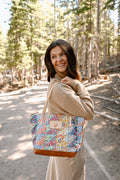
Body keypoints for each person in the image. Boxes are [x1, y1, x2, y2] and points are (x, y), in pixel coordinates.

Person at [44, 39, 94, 180]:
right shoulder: (61, 87)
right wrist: (78, 85)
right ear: (50, 61)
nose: (58, 60)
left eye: (62, 54)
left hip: (62, 145)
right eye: (53, 57)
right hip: (68, 150)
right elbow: (89, 112)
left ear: (69, 56)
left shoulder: (58, 82)